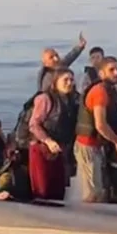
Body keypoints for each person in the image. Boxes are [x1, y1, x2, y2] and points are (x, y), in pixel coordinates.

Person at [74, 56, 117, 203]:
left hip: (98, 144)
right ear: (101, 74)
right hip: (88, 145)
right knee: (93, 192)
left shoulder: (109, 90)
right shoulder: (100, 92)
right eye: (111, 70)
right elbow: (100, 125)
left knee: (101, 189)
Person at [28, 68, 79, 200]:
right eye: (65, 80)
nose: (69, 83)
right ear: (55, 82)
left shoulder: (72, 101)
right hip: (42, 148)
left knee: (58, 190)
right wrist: (48, 141)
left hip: (60, 149)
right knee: (43, 190)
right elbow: (34, 124)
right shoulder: (45, 99)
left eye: (71, 80)